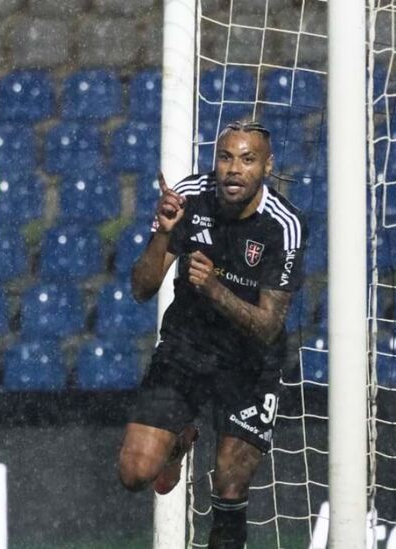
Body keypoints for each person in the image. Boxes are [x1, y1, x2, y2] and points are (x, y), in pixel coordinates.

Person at [118, 120, 307, 548]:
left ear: (266, 166)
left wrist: (215, 289)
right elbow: (141, 288)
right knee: (134, 474)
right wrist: (164, 231)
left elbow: (268, 325)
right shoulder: (188, 196)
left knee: (230, 484)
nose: (234, 169)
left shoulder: (284, 225)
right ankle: (179, 439)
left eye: (247, 159)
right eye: (226, 157)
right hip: (187, 346)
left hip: (250, 362)